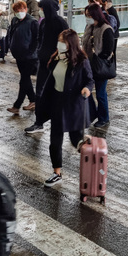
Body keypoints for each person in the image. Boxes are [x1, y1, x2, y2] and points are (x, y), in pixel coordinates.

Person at [38, 29, 93, 186]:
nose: (60, 44)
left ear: (71, 43)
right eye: (59, 40)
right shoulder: (57, 58)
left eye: (63, 41)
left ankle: (91, 168)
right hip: (57, 102)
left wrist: (87, 89)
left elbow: (89, 80)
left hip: (74, 103)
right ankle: (57, 173)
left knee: (76, 139)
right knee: (55, 140)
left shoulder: (82, 60)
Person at [26, 0, 69, 134]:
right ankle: (39, 122)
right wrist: (39, 51)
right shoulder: (43, 22)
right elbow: (40, 38)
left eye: (43, 8)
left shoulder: (60, 22)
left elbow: (68, 41)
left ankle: (62, 121)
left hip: (56, 63)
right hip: (43, 62)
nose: (41, 11)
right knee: (40, 92)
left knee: (58, 93)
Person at [81, 4, 114, 130]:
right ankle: (91, 114)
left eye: (89, 15)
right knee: (86, 91)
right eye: (86, 15)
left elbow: (108, 50)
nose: (87, 18)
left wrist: (98, 59)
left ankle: (104, 118)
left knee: (100, 93)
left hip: (99, 66)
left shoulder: (106, 29)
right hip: (87, 64)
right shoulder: (89, 27)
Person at [5, 1, 38, 115]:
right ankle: (33, 100)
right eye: (17, 11)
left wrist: (31, 51)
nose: (19, 12)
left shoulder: (33, 22)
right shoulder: (15, 20)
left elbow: (37, 39)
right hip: (18, 55)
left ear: (26, 9)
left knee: (23, 80)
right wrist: (8, 46)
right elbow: (10, 34)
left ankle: (17, 105)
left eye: (21, 10)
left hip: (30, 57)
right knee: (25, 79)